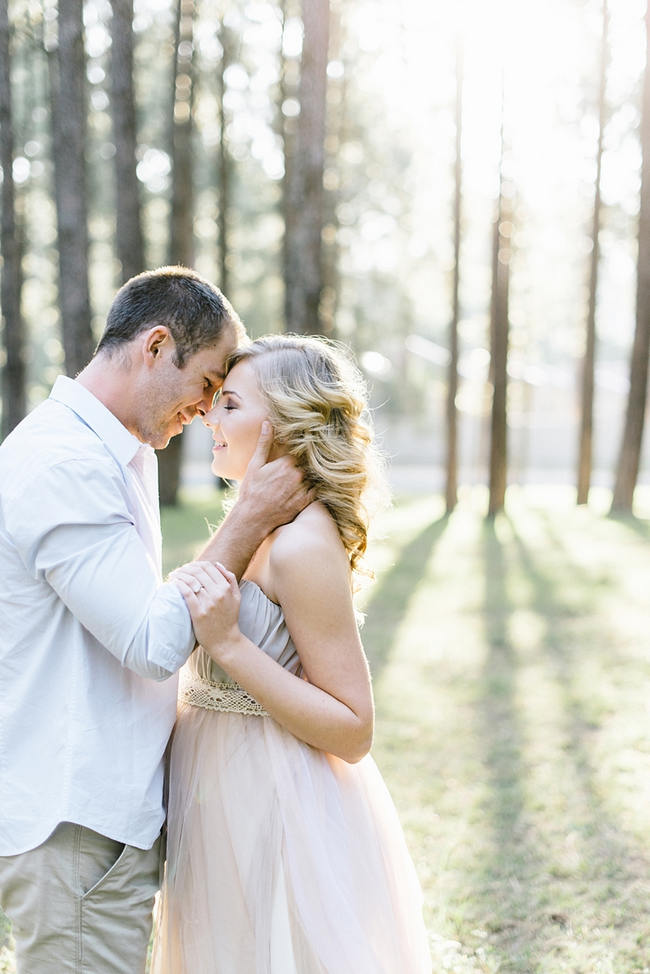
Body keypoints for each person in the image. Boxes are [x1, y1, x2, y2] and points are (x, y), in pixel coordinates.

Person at [0, 267, 307, 974]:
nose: (206, 411)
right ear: (157, 345)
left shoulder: (116, 451)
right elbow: (150, 640)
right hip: (75, 828)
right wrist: (251, 515)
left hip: (102, 821)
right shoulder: (62, 463)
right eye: (205, 383)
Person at [151, 334, 432, 973]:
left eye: (228, 405)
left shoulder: (303, 545)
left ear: (279, 424)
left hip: (277, 799)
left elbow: (354, 728)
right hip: (215, 790)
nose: (206, 417)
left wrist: (230, 646)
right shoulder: (254, 528)